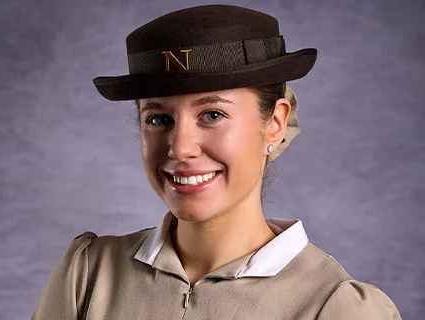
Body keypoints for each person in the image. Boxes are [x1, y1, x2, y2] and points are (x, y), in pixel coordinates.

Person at [32, 4, 402, 319]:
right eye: (158, 118)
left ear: (274, 123)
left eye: (212, 114)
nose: (179, 148)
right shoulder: (88, 275)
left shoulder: (335, 307)